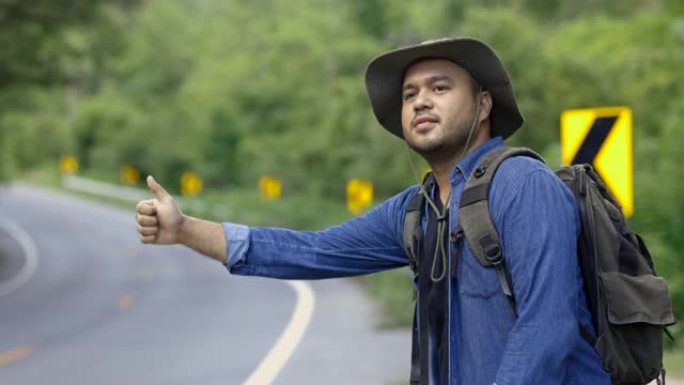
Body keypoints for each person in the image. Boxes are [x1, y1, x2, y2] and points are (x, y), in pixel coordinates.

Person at [135, 37, 611, 385]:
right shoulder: (418, 210)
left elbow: (546, 328)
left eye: (440, 88)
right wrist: (184, 230)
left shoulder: (523, 186)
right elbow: (313, 251)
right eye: (409, 95)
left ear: (483, 104)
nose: (421, 100)